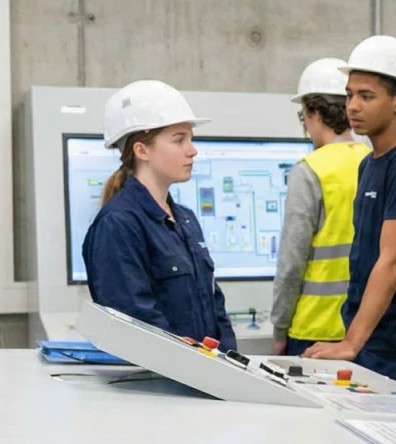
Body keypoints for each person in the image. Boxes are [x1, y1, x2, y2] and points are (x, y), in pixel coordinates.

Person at [305, 36, 396, 394]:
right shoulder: (370, 164)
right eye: (350, 94)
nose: (353, 106)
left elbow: (392, 261)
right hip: (375, 339)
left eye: (366, 96)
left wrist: (350, 344)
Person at [83, 80, 235, 352]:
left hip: (207, 378)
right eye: (179, 140)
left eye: (191, 138)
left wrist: (230, 362)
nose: (192, 149)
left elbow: (215, 305)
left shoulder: (185, 220)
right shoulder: (118, 225)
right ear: (142, 150)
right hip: (161, 385)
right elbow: (135, 325)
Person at [271, 57, 374, 356]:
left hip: (313, 330)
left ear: (315, 112)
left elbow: (291, 263)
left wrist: (279, 329)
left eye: (303, 117)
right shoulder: (373, 162)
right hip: (360, 329)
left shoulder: (309, 170)